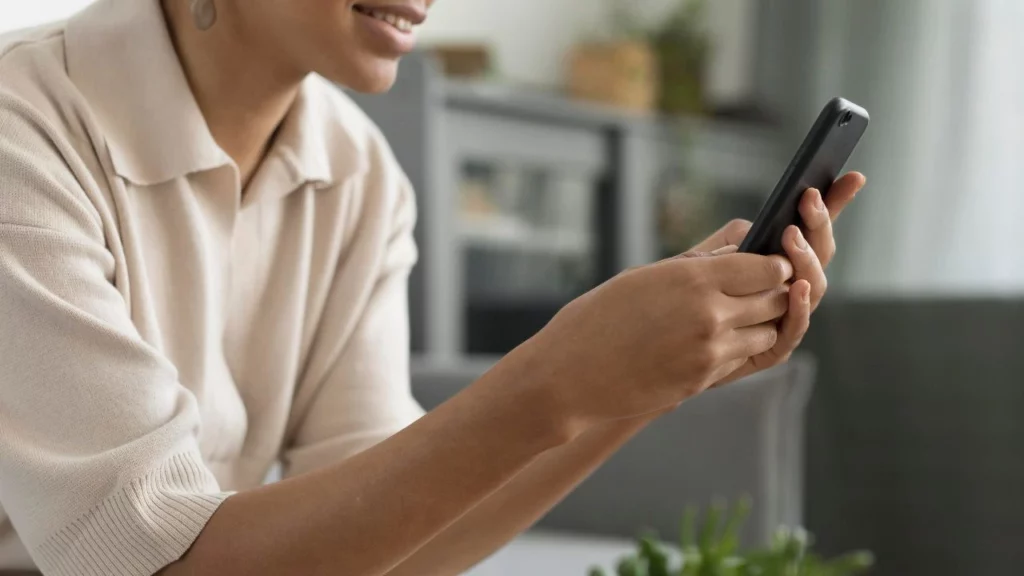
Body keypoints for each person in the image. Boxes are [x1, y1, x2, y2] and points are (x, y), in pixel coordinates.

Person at [0, 0, 866, 574]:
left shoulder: (359, 172)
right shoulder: (23, 131)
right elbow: (149, 565)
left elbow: (393, 548)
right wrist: (554, 377)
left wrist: (645, 385)